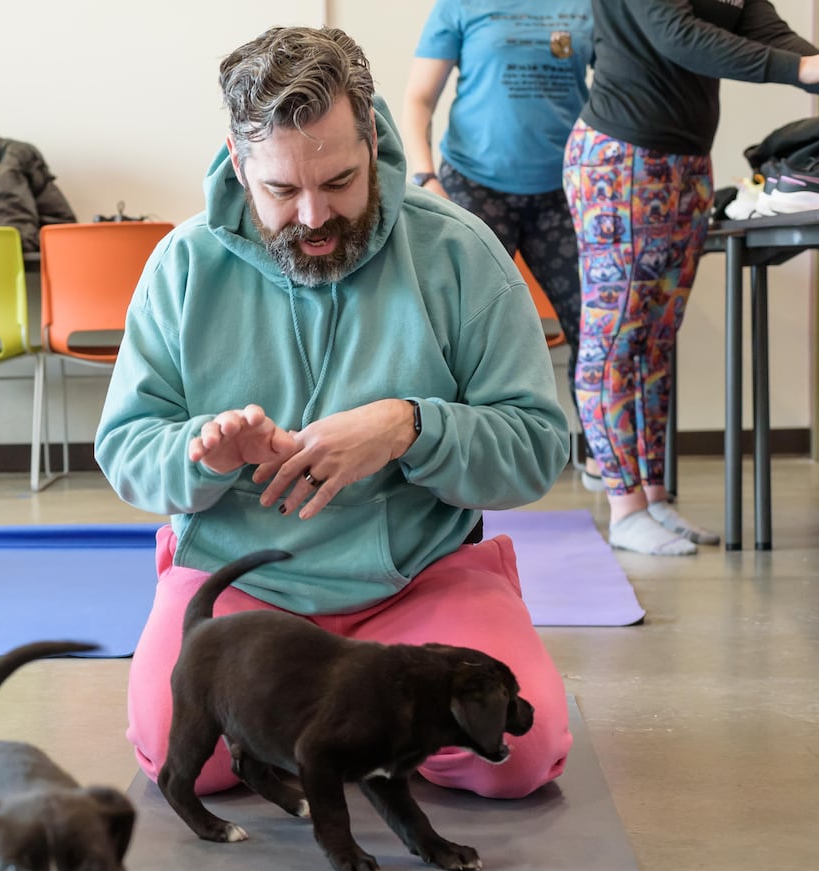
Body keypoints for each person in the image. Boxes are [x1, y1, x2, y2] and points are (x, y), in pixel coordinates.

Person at [94, 26, 572, 801]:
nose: (315, 215)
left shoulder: (459, 253)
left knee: (517, 752)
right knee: (187, 759)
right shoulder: (182, 267)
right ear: (238, 159)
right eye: (282, 191)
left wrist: (411, 427)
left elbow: (536, 450)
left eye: (342, 180)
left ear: (372, 137)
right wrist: (202, 455)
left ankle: (327, 731)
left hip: (421, 581)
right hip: (243, 585)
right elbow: (124, 451)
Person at [563, 0, 819, 555]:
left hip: (686, 164)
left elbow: (767, 31)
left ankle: (653, 497)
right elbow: (675, 33)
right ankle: (624, 505)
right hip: (618, 158)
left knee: (654, 343)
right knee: (614, 342)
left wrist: (812, 65)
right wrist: (800, 71)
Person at [401, 0, 598, 481]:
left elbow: (625, 83)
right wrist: (425, 176)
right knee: (454, 332)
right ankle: (444, 458)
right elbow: (418, 99)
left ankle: (604, 461)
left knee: (594, 330)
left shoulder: (591, 6)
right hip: (474, 186)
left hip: (565, 191)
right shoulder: (462, 6)